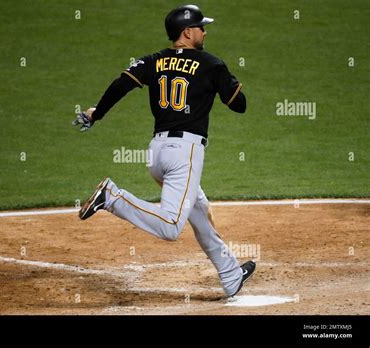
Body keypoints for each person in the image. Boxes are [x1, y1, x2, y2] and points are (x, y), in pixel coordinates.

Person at [72, 4, 255, 297]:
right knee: (171, 226)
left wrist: (97, 113)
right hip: (184, 153)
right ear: (187, 32)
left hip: (156, 153)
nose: (205, 31)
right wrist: (224, 80)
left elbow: (121, 85)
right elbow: (240, 104)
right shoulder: (210, 64)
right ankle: (112, 197)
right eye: (201, 27)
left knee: (199, 210)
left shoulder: (153, 61)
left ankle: (230, 274)